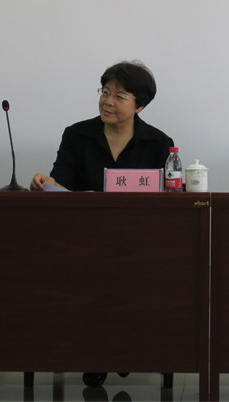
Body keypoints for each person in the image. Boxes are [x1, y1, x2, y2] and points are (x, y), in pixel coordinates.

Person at [31, 60, 174, 388]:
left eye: (119, 96)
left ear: (140, 106)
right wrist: (45, 184)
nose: (107, 101)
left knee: (135, 274)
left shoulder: (159, 143)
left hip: (139, 242)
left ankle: (121, 349)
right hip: (86, 239)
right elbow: (62, 184)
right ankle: (98, 353)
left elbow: (169, 197)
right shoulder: (77, 135)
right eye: (105, 92)